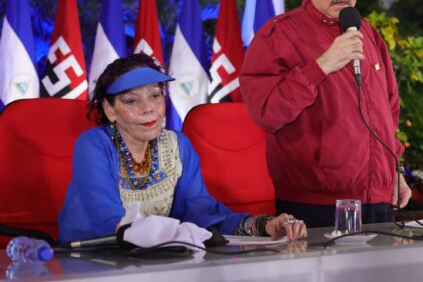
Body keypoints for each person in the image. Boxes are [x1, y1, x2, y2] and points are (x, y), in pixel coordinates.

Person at [240, 0, 411, 228]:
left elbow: (388, 109)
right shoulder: (278, 34)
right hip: (314, 204)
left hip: (377, 198)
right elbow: (267, 111)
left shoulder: (368, 34)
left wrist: (395, 170)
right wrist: (321, 66)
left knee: (378, 275)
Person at [58, 54, 306, 243]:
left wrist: (263, 226)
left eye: (155, 96)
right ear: (110, 110)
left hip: (154, 259)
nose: (149, 108)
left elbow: (202, 211)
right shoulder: (93, 144)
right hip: (92, 259)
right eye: (131, 101)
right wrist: (175, 235)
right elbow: (107, 219)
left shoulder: (178, 145)